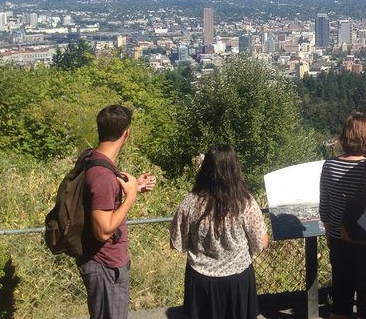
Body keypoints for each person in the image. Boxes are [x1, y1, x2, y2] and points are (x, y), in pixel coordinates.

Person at [169, 144, 268, 319]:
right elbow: (260, 243)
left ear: (205, 169)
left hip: (200, 280)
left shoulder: (190, 203)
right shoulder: (245, 203)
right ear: (235, 169)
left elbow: (177, 242)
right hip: (237, 280)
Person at [79, 104, 157, 319]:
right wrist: (130, 196)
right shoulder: (102, 175)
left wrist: (135, 187)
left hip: (104, 263)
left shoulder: (93, 159)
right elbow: (103, 231)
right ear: (126, 133)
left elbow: (101, 202)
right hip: (105, 265)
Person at [319, 112, 366, 319]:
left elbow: (325, 209)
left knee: (340, 299)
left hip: (340, 241)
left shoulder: (329, 166)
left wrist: (332, 236)